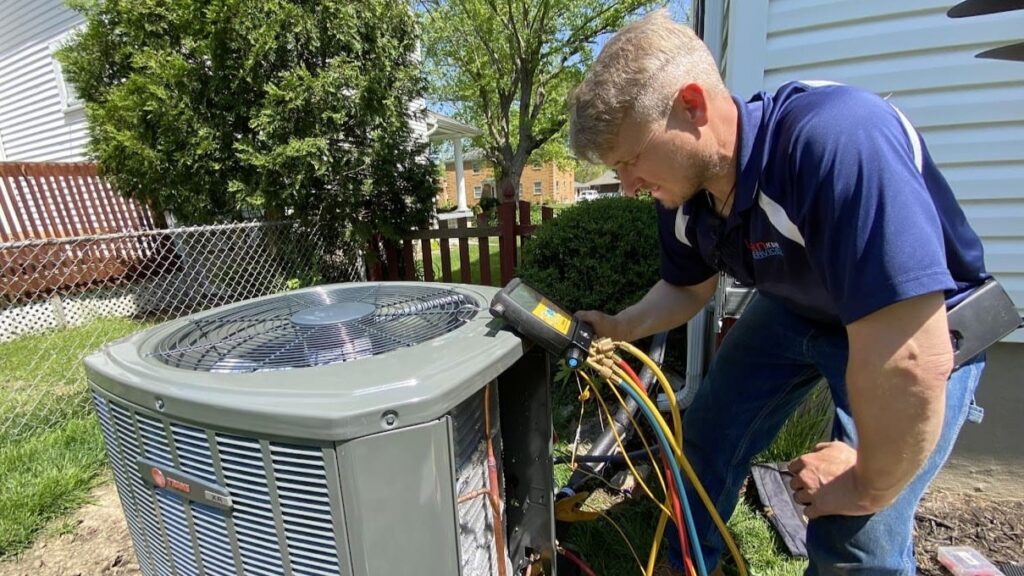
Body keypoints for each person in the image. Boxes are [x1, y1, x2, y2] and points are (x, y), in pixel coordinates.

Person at [568, 9, 989, 576]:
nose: (627, 186)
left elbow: (912, 359)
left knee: (854, 532)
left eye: (630, 159)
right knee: (708, 438)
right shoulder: (684, 196)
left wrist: (864, 485)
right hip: (797, 308)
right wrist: (620, 326)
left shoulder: (836, 141)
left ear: (692, 105)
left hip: (919, 325)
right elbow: (686, 289)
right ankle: (686, 564)